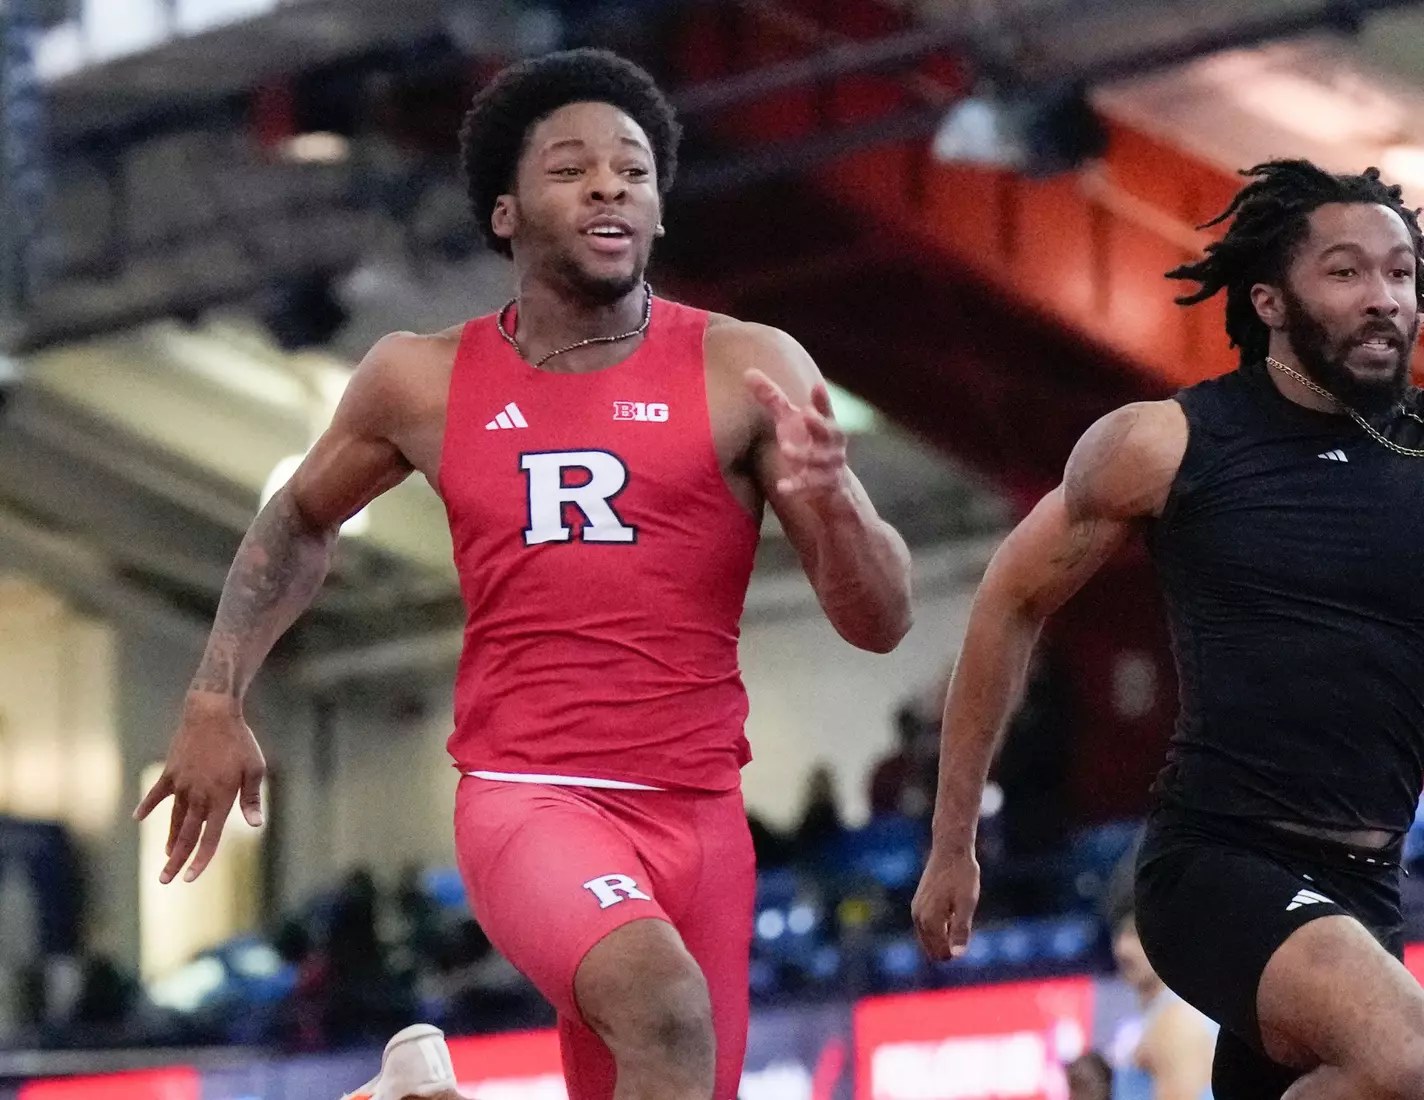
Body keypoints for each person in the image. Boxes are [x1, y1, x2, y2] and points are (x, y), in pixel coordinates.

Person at [135, 48, 912, 1100]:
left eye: (634, 170)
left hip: (702, 818)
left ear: (659, 210)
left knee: (666, 1065)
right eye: (572, 168)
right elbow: (299, 519)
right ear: (502, 214)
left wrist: (832, 498)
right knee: (667, 1013)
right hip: (532, 798)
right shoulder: (420, 377)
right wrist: (215, 693)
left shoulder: (746, 367)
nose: (609, 185)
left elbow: (877, 621)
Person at [911, 158, 1424, 1100]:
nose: (1384, 298)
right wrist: (953, 842)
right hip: (1220, 866)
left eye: (1401, 274)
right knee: (1406, 1061)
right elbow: (1011, 600)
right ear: (1269, 299)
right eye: (1348, 272)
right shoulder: (1169, 443)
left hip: (1370, 886)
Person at [1110, 910, 1216, 1100]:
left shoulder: (1178, 1020)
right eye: (1118, 934)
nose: (1122, 948)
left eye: (1135, 934)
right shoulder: (1159, 1016)